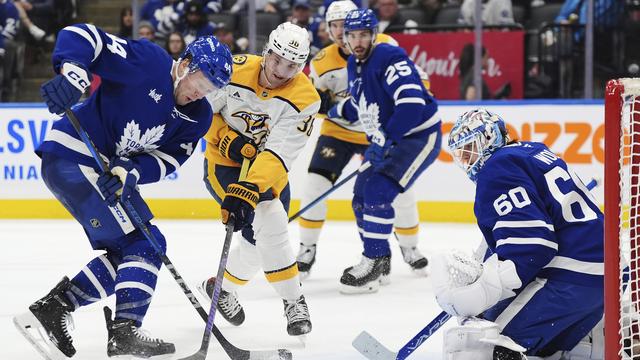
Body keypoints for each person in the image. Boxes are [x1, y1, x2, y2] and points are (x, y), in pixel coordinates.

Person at [12, 24, 233, 359]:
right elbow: (84, 36)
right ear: (186, 65)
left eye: (210, 89)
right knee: (143, 244)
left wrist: (132, 171)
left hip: (101, 171)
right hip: (74, 155)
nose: (200, 94)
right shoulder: (150, 62)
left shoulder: (198, 116)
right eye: (200, 83)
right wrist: (74, 73)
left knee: (142, 248)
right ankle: (123, 331)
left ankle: (55, 309)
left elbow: (168, 159)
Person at [433, 108, 604, 359]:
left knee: (476, 343)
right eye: (462, 154)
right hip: (602, 281)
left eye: (470, 148)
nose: (467, 160)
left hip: (569, 280)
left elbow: (533, 247)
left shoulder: (497, 167)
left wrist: (484, 290)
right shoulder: (532, 151)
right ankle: (586, 343)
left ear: (490, 138)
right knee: (533, 342)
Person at [197, 21, 319, 338]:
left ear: (301, 66)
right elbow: (199, 111)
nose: (280, 70)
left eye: (291, 65)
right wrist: (226, 139)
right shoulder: (234, 69)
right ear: (267, 52)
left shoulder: (306, 98)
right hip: (223, 163)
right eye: (277, 59)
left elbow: (280, 150)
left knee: (258, 241)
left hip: (268, 169)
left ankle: (220, 287)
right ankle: (294, 301)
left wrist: (252, 186)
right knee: (269, 215)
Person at [297, 0, 430, 282]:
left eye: (349, 24)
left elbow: (417, 81)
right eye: (337, 26)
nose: (344, 31)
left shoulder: (385, 46)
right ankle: (306, 247)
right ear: (331, 30)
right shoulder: (321, 62)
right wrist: (321, 104)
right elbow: (312, 104)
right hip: (339, 134)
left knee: (400, 190)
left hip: (379, 133)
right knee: (314, 185)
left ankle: (409, 246)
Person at [327, 8, 441, 294]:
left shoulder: (390, 57)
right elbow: (362, 102)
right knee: (360, 195)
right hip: (388, 138)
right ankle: (379, 258)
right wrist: (331, 109)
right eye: (352, 35)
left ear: (374, 35)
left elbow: (412, 103)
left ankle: (373, 260)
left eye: (364, 34)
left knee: (378, 191)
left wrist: (387, 139)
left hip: (418, 136)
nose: (358, 41)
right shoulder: (354, 64)